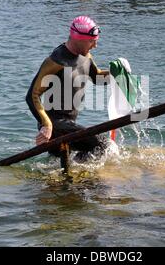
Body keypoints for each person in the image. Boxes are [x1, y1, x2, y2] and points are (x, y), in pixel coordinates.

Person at [26, 16, 110, 163]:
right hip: (54, 125)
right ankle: (82, 175)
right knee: (101, 144)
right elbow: (32, 95)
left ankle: (75, 178)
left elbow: (97, 78)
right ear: (79, 39)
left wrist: (117, 72)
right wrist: (46, 124)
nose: (95, 46)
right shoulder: (56, 61)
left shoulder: (86, 56)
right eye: (92, 41)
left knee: (61, 168)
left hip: (69, 125)